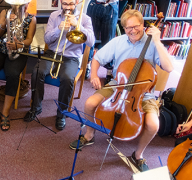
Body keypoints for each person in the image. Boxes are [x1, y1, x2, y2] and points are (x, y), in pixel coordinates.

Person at [69, 10, 173, 172]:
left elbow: (169, 67)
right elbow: (97, 58)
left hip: (143, 93)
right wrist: (95, 74)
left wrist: (158, 42)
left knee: (153, 125)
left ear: (143, 25)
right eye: (128, 27)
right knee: (90, 103)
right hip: (118, 85)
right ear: (123, 28)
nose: (132, 30)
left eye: (136, 26)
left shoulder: (153, 44)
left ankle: (137, 154)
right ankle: (89, 135)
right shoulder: (118, 41)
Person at [23, 0, 95, 130]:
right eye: (65, 4)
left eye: (71, 4)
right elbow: (47, 39)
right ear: (60, 2)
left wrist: (77, 26)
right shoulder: (54, 16)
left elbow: (91, 42)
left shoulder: (85, 19)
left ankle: (62, 113)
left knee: (68, 79)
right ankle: (36, 107)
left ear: (77, 2)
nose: (68, 7)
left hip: (71, 57)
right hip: (51, 53)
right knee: (37, 71)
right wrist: (58, 28)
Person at [0, 0, 36, 131]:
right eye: (15, 3)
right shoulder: (5, 12)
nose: (18, 6)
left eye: (23, 3)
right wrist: (5, 23)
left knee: (12, 74)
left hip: (19, 51)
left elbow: (29, 40)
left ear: (27, 3)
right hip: (0, 48)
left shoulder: (31, 19)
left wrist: (19, 45)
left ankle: (5, 112)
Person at [86, 0, 132, 83]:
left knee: (109, 40)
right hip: (95, 7)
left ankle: (109, 69)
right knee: (90, 38)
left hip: (110, 9)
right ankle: (88, 65)